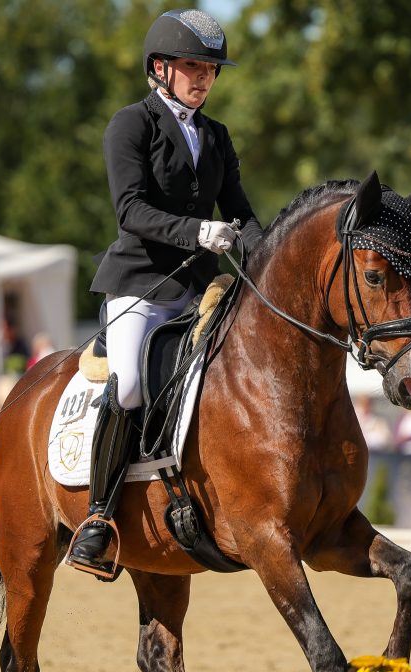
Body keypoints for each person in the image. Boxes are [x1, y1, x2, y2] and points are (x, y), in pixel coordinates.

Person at [67, 8, 264, 573]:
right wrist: (199, 231)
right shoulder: (131, 125)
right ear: (160, 68)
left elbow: (242, 213)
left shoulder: (217, 136)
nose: (205, 78)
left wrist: (267, 253)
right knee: (128, 385)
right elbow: (131, 210)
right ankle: (100, 518)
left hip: (200, 288)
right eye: (193, 66)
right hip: (141, 286)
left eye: (211, 70)